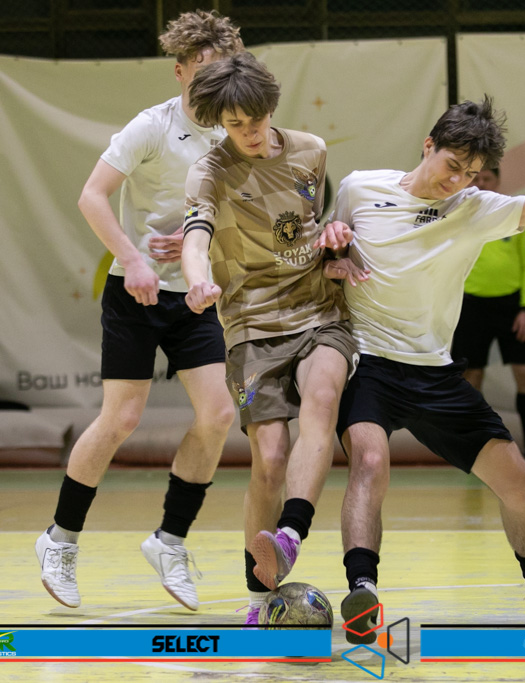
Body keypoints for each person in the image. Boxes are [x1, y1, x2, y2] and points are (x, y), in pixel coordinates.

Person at [325, 97, 525, 642]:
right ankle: (361, 591)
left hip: (435, 372)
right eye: (452, 165)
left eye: (470, 173)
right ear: (428, 146)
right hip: (367, 361)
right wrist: (334, 256)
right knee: (369, 462)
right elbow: (330, 244)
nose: (457, 180)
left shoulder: (473, 207)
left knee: (520, 482)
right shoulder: (359, 187)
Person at [34, 10, 244, 612]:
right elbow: (91, 196)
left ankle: (169, 541)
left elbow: (238, 215)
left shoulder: (235, 134)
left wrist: (203, 241)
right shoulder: (151, 127)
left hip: (196, 293)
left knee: (218, 414)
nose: (211, 82)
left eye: (221, 71)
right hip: (137, 291)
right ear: (180, 72)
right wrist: (134, 258)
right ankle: (60, 538)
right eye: (201, 71)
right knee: (122, 417)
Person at [181, 52, 357, 625]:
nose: (249, 133)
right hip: (252, 326)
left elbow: (312, 222)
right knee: (270, 459)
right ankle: (259, 598)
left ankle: (290, 536)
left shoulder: (311, 150)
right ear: (219, 122)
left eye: (255, 121)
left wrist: (334, 245)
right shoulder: (210, 171)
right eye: (235, 125)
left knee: (323, 400)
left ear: (271, 109)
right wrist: (197, 279)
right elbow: (195, 238)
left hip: (319, 312)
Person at [451, 167, 525, 468]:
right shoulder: (458, 215)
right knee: (471, 379)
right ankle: (472, 449)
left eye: (487, 178)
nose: (481, 183)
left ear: (497, 181)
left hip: (512, 308)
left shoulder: (514, 215)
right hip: (470, 306)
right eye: (476, 179)